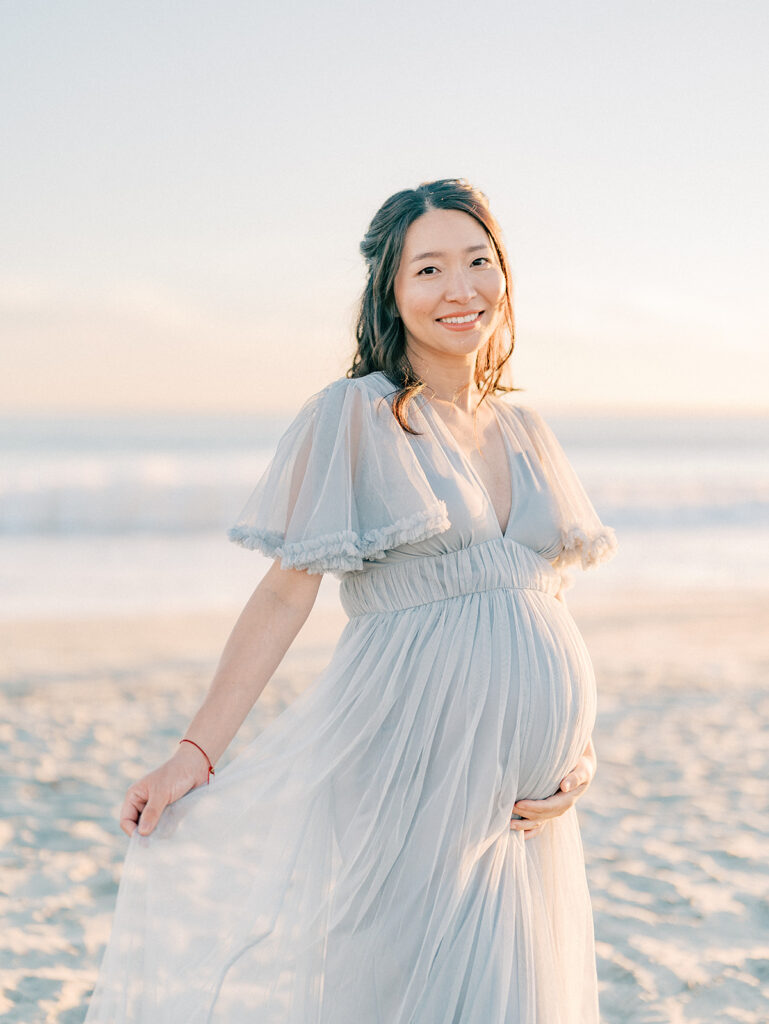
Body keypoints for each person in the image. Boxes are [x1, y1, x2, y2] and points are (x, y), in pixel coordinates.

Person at [84, 178, 617, 1023]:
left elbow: (544, 602)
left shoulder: (527, 431)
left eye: (478, 262)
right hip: (410, 758)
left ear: (504, 276)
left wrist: (577, 752)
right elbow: (282, 597)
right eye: (429, 269)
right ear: (391, 292)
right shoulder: (357, 416)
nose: (459, 289)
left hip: (526, 809)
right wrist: (195, 752)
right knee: (404, 987)